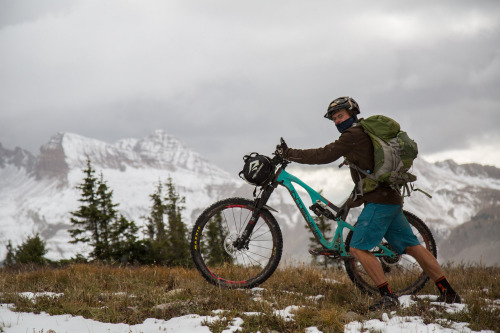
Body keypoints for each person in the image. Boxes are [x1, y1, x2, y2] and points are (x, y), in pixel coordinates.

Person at [275, 96, 461, 311]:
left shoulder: (353, 134)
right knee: (412, 246)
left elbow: (324, 155)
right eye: (334, 118)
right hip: (389, 198)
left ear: (352, 113)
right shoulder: (363, 133)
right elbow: (369, 172)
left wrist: (288, 153)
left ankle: (387, 297)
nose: (337, 121)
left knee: (358, 248)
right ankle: (449, 293)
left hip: (379, 202)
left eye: (340, 116)